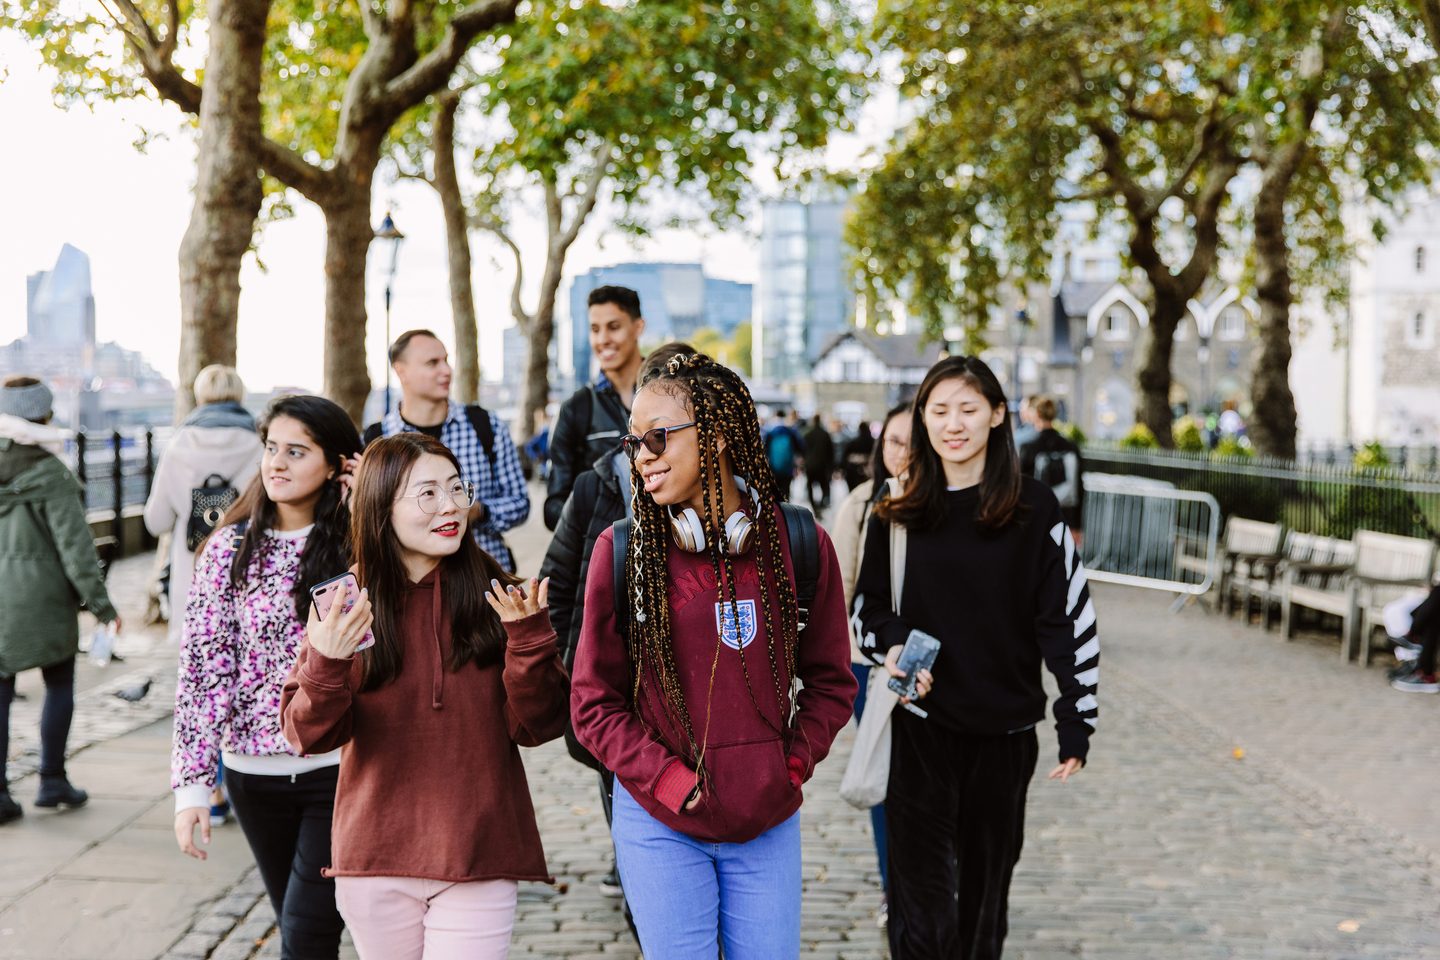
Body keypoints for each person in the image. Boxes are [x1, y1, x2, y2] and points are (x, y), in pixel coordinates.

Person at [571, 353, 857, 958]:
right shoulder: (620, 552)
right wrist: (670, 781)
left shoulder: (800, 543)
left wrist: (790, 767)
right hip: (660, 822)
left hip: (767, 821)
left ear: (719, 435)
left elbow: (832, 683)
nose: (642, 455)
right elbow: (593, 704)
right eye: (634, 441)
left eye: (657, 437)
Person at [281, 432, 569, 958]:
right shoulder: (345, 605)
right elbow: (307, 735)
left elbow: (541, 724)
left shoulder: (500, 597)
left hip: (479, 853)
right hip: (375, 856)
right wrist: (326, 662)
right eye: (428, 493)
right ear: (380, 507)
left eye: (457, 489)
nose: (452, 506)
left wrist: (529, 642)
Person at [854, 356, 1099, 960]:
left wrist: (1077, 720)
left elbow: (1067, 620)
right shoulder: (898, 503)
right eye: (938, 411)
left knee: (983, 905)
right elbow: (867, 608)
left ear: (997, 415)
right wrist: (895, 644)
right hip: (920, 731)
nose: (952, 424)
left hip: (1004, 735)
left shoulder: (1034, 509)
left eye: (967, 409)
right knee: (922, 907)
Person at [171, 394, 360, 958]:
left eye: (296, 451)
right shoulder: (229, 548)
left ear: (334, 465)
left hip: (337, 769)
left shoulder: (360, 545)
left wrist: (366, 500)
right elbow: (204, 671)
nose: (275, 462)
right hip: (251, 774)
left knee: (306, 934)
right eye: (271, 448)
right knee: (296, 922)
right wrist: (192, 788)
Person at [538, 341, 694, 909]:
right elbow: (554, 587)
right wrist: (571, 669)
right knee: (634, 838)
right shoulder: (595, 487)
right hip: (615, 707)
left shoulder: (741, 506)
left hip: (697, 705)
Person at [0, 376, 119, 825]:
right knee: (58, 683)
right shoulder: (51, 474)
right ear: (45, 416)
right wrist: (102, 606)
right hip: (43, 596)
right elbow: (77, 550)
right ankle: (51, 781)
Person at [827, 400, 911, 924]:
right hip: (869, 664)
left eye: (911, 442)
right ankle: (892, 886)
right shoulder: (862, 503)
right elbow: (841, 589)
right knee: (886, 775)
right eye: (894, 442)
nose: (901, 453)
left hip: (927, 665)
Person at [364, 330, 529, 572]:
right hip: (407, 582)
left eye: (446, 360)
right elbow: (368, 517)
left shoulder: (485, 425)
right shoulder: (377, 439)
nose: (446, 370)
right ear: (401, 371)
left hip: (485, 576)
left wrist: (479, 512)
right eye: (433, 363)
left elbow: (520, 502)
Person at [144, 365, 262, 645]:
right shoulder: (263, 443)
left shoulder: (178, 444)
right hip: (249, 562)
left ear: (198, 397)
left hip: (193, 571)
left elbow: (156, 521)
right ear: (241, 396)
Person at [545, 285, 647, 530]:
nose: (602, 340)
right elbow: (553, 508)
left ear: (638, 327)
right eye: (594, 329)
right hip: (604, 556)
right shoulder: (574, 409)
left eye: (614, 327)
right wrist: (601, 527)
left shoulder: (671, 396)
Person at [1018, 394, 1086, 549]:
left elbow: (1021, 488)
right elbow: (1079, 487)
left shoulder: (1028, 447)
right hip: (1065, 517)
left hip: (1035, 518)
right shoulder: (1071, 446)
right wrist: (1077, 526)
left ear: (1036, 414)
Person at [763, 408, 805, 501]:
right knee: (786, 490)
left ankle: (777, 511)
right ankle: (786, 509)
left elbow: (764, 449)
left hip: (773, 467)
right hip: (788, 467)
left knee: (775, 491)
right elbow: (800, 447)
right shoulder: (790, 431)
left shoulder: (770, 431)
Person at [802, 414, 837, 513]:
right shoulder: (825, 434)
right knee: (824, 485)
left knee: (810, 485)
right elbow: (831, 452)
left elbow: (803, 450)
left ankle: (813, 504)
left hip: (810, 465)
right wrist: (832, 466)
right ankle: (822, 503)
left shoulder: (808, 434)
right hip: (822, 465)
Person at [840, 420, 875, 491]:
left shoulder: (853, 442)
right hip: (868, 473)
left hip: (853, 472)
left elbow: (845, 457)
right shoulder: (873, 442)